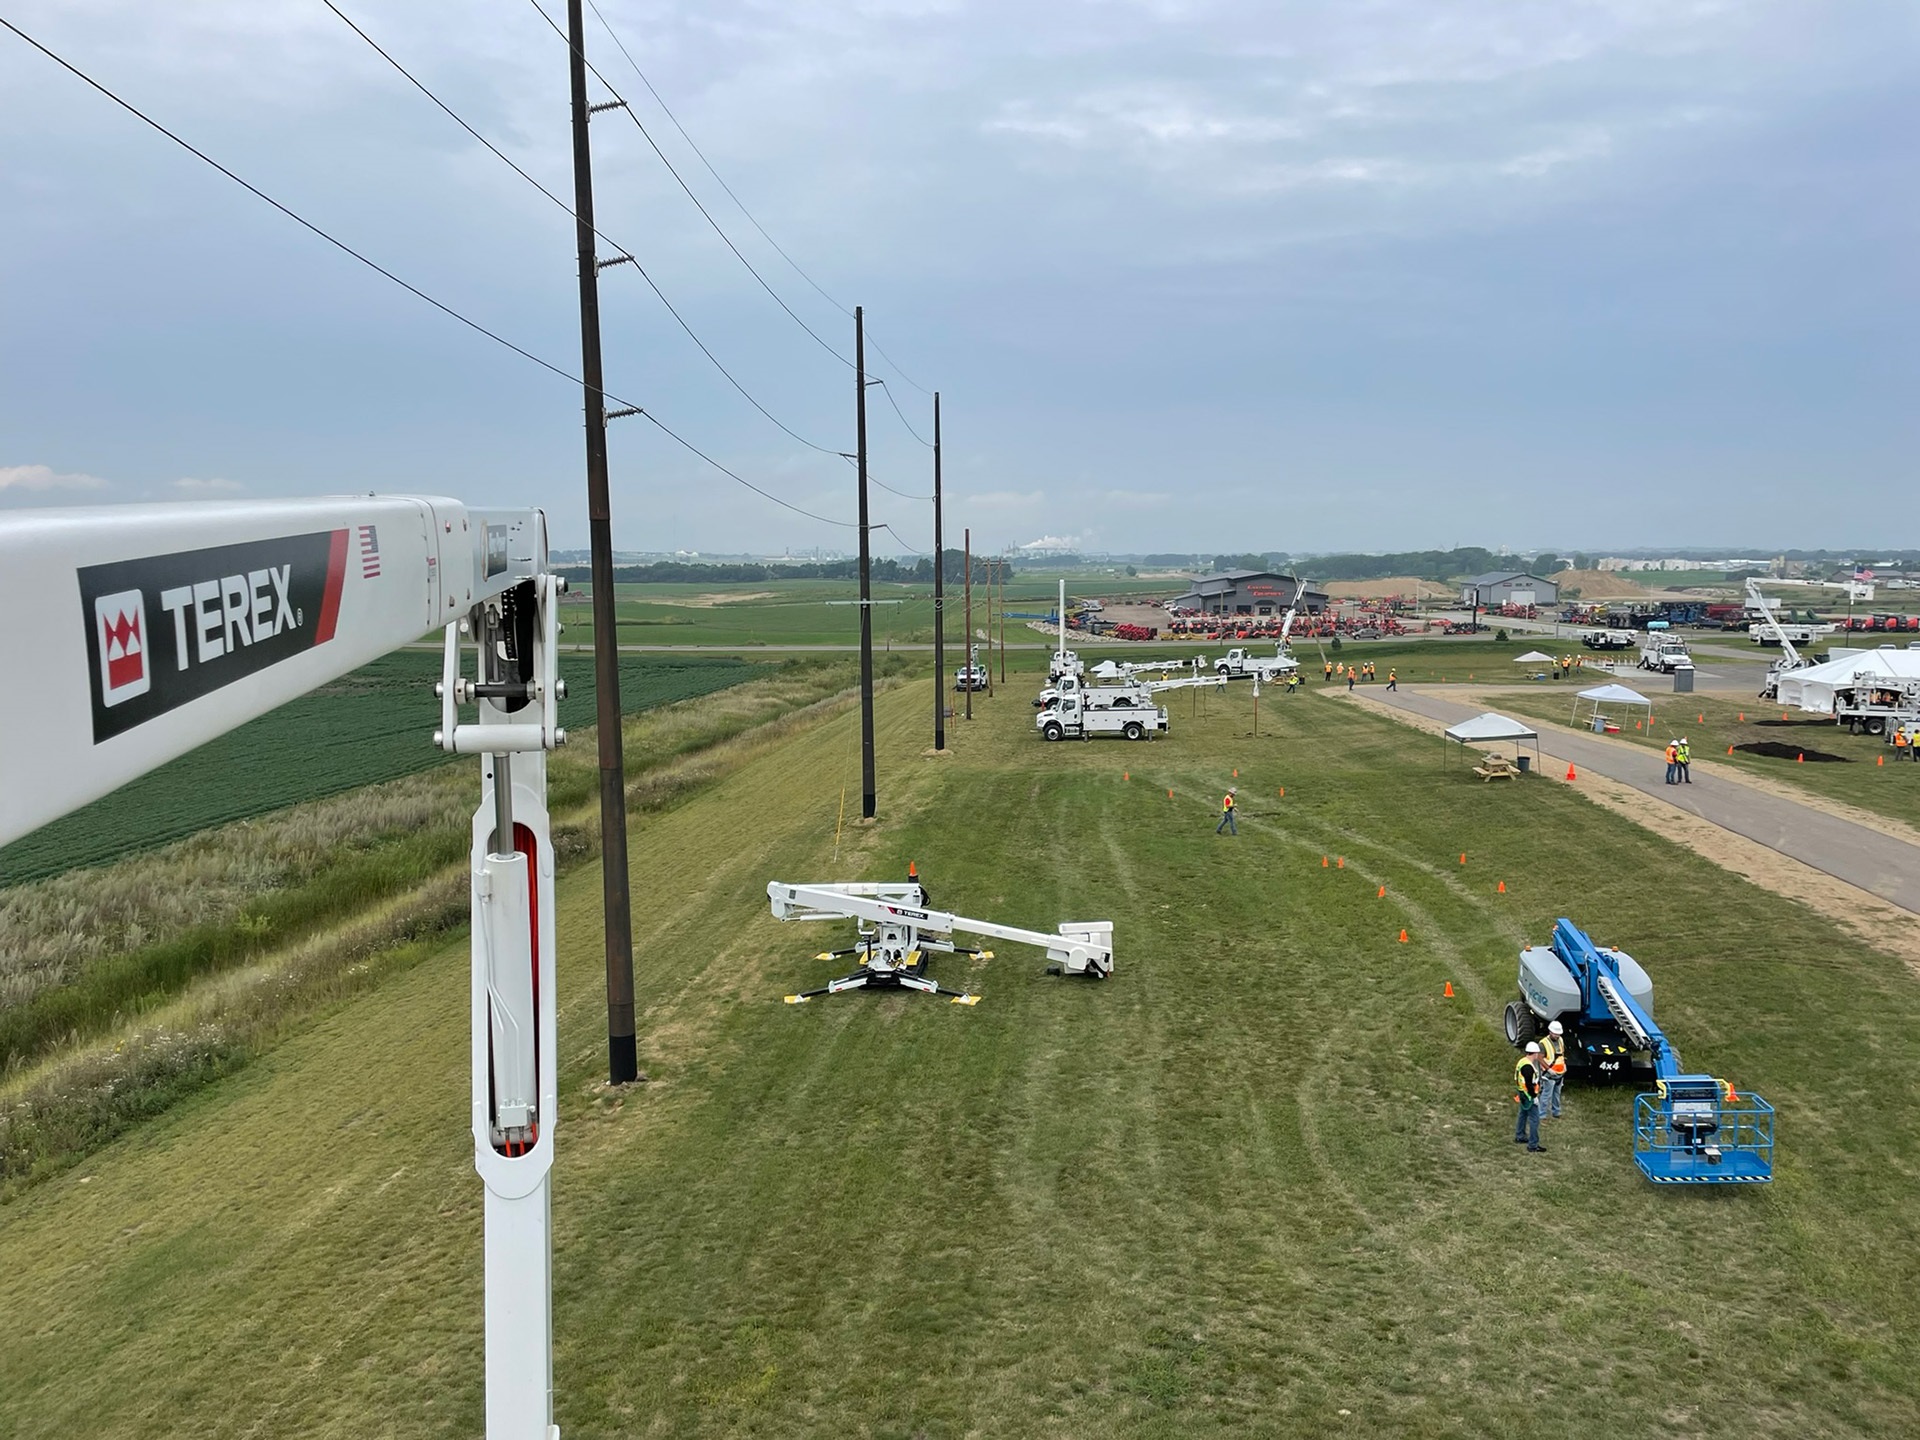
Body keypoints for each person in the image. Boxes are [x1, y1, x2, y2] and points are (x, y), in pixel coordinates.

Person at [1514, 1042, 1545, 1152]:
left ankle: (1520, 1135)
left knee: (1522, 1114)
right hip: (1528, 1095)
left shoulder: (1522, 1062)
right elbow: (1529, 1084)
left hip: (1522, 1093)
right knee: (1534, 1120)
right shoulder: (1528, 1067)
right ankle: (1533, 1145)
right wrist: (1534, 1096)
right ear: (1535, 1053)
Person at [1539, 1020, 1567, 1118]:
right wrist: (1548, 1069)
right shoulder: (1543, 1043)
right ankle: (1541, 1114)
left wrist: (1564, 1066)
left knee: (1556, 1094)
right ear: (1550, 1032)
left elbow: (1561, 1054)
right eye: (1555, 1034)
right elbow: (1539, 1058)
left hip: (1560, 1072)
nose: (1557, 1036)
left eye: (1558, 1034)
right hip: (1549, 1074)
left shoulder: (1560, 1040)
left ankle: (1556, 1112)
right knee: (1546, 1095)